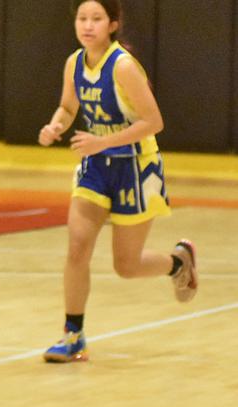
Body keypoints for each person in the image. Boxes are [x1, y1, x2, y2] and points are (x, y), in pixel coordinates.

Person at [39, 0, 198, 363]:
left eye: (96, 19)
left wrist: (103, 141)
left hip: (135, 167)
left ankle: (178, 262)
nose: (88, 25)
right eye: (82, 18)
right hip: (95, 166)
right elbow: (68, 107)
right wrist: (56, 125)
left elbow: (153, 122)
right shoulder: (74, 63)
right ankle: (73, 334)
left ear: (112, 24)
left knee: (126, 266)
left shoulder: (123, 66)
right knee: (78, 245)